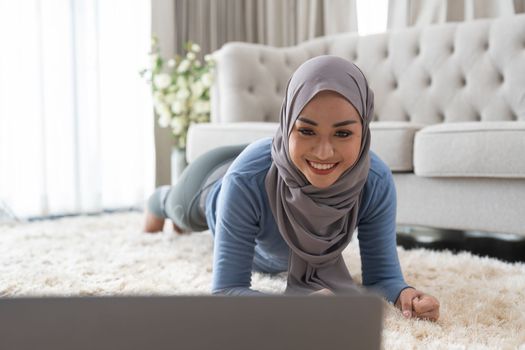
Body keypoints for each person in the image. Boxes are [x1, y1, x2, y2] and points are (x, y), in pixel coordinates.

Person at [144, 55, 440, 321]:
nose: (324, 152)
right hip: (211, 185)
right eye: (307, 130)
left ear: (364, 131)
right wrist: (294, 308)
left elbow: (381, 277)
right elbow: (226, 291)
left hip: (268, 166)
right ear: (287, 125)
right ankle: (157, 200)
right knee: (177, 209)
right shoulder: (244, 181)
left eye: (343, 133)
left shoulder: (374, 180)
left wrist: (406, 295)